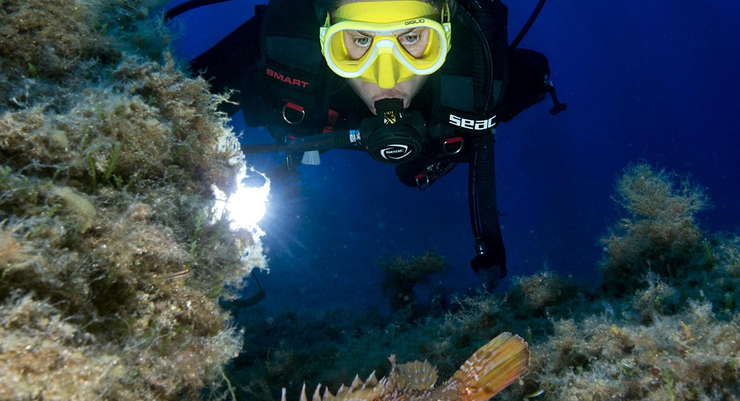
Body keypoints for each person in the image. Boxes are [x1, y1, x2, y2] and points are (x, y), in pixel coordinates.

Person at [174, 0, 565, 280]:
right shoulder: (272, 46)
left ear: (447, 33)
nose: (386, 76)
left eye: (413, 37)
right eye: (359, 41)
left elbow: (532, 80)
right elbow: (173, 113)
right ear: (323, 34)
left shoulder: (485, 76)